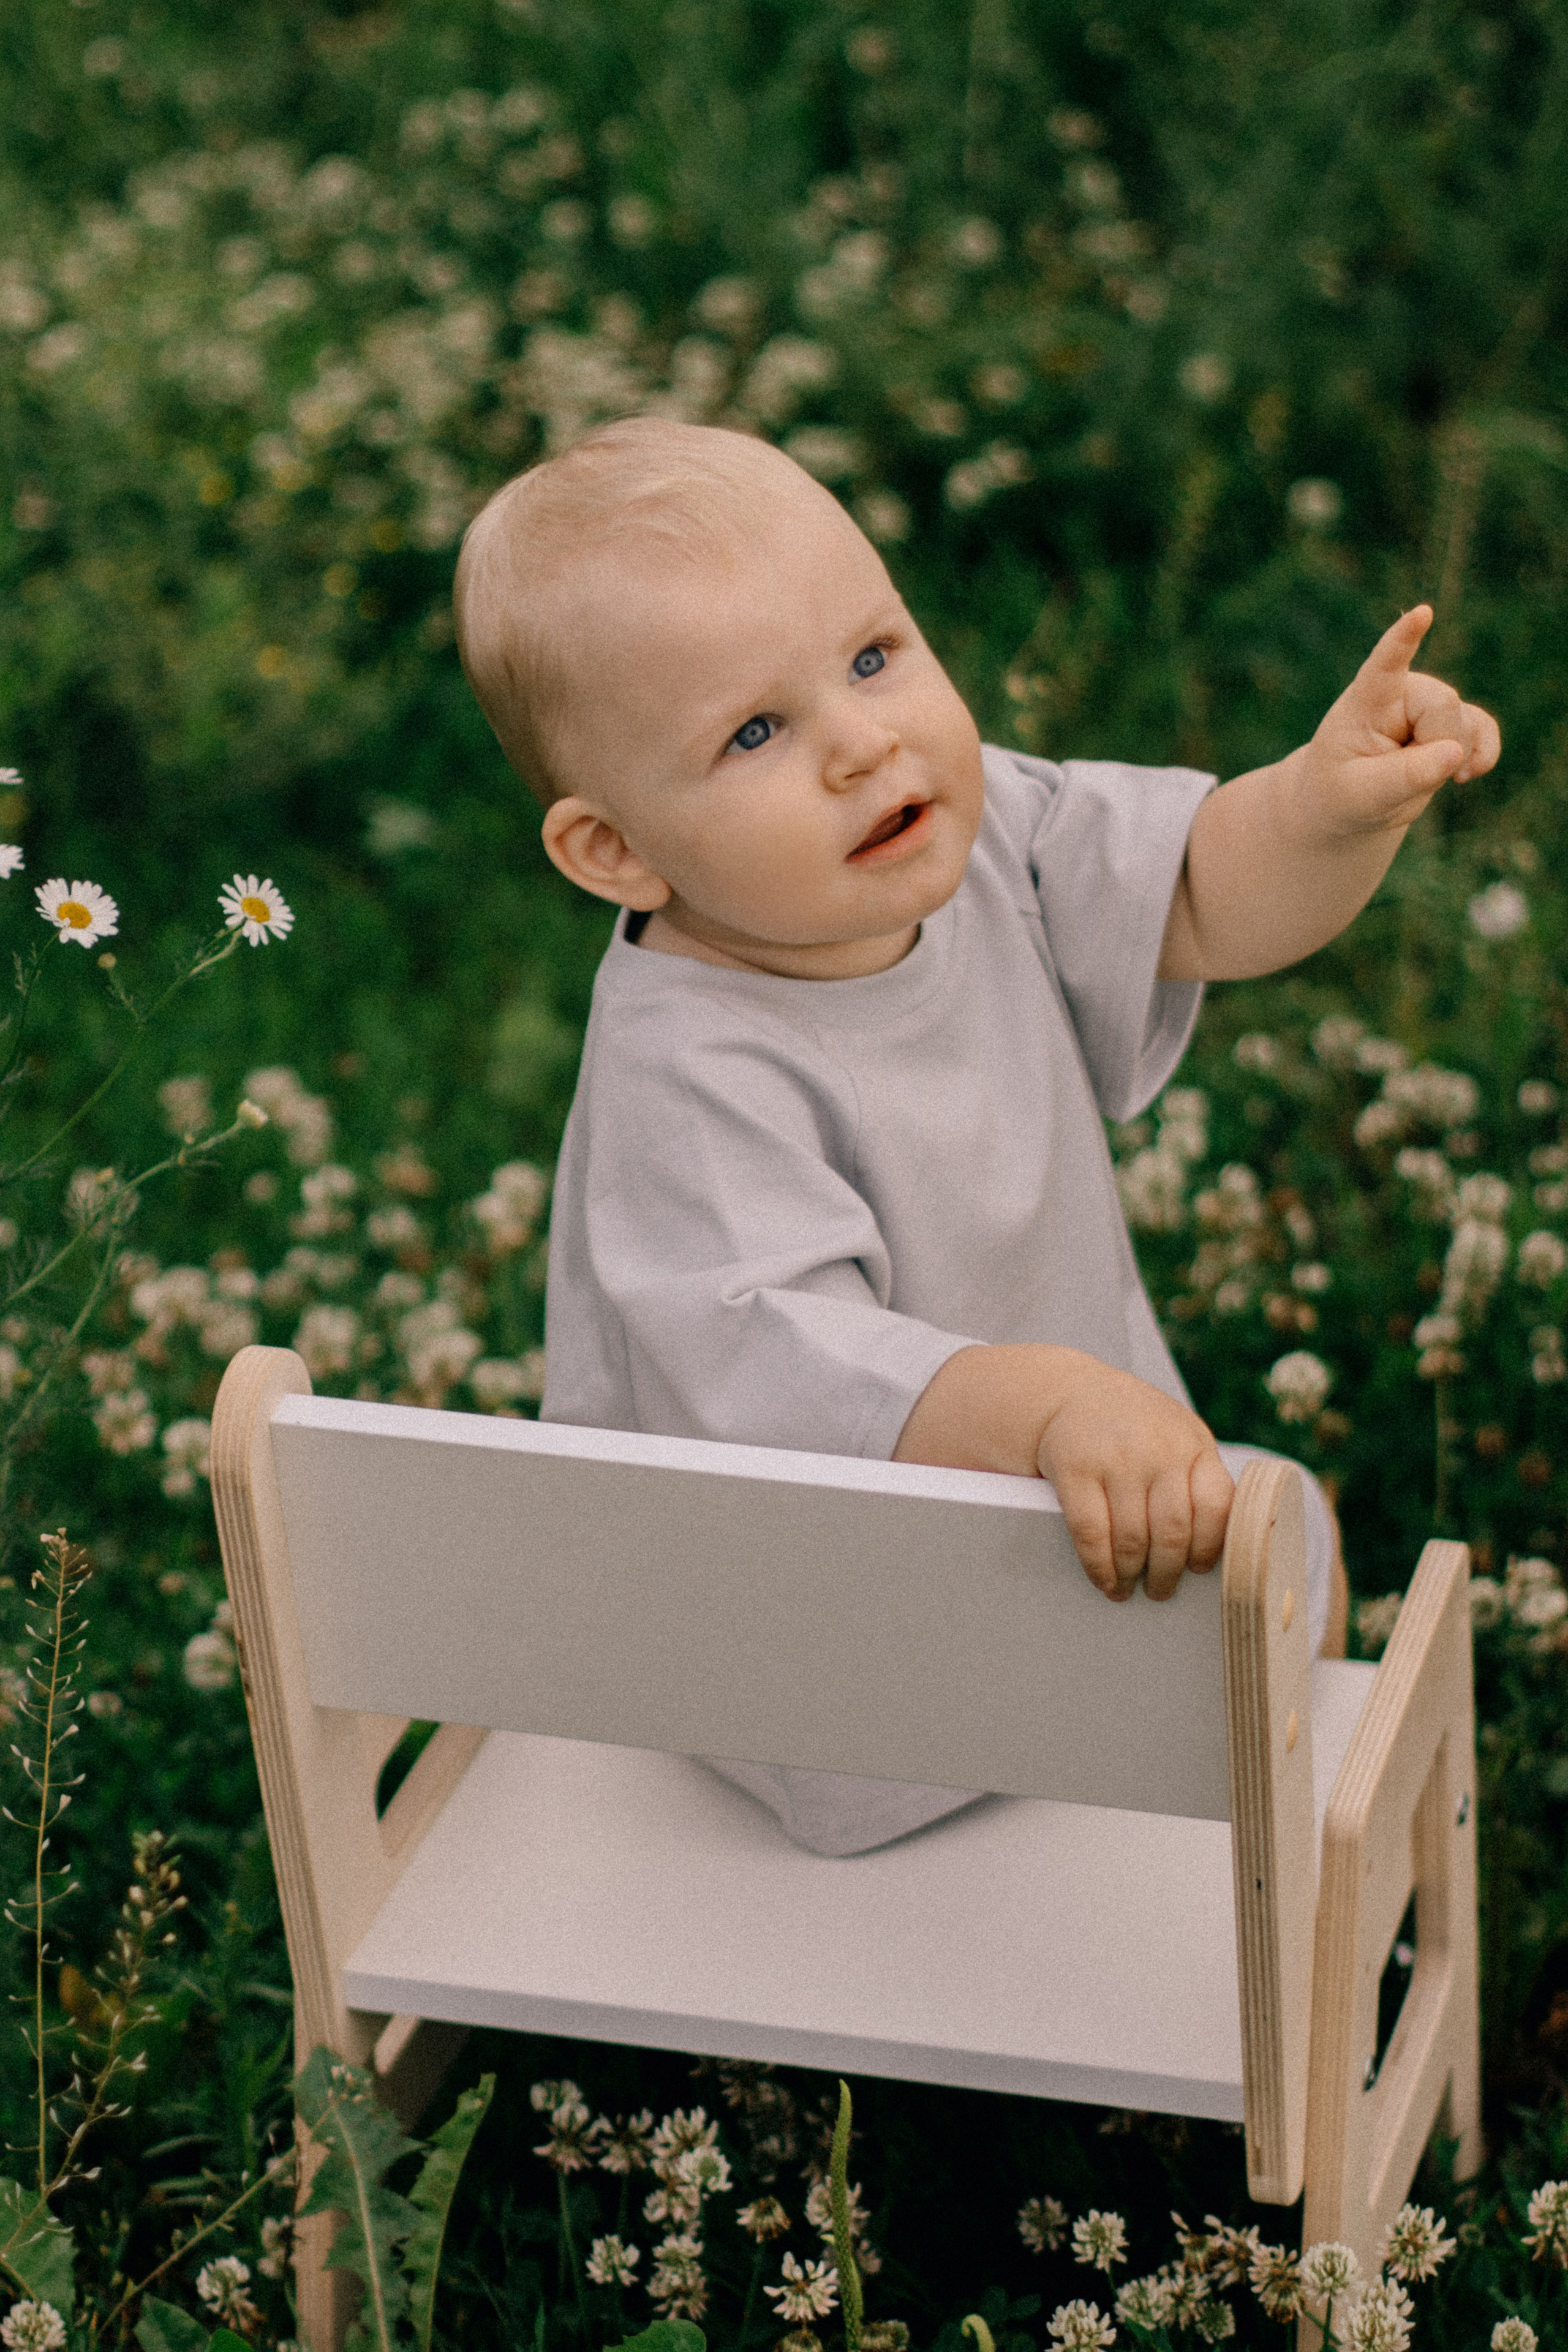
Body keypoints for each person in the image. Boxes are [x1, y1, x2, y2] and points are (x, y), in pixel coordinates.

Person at [453, 417, 1501, 1856]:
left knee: (1252, 1541)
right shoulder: (691, 1073)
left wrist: (1325, 807)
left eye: (873, 656)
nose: (861, 743)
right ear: (614, 851)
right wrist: (1050, 1406)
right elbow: (787, 1381)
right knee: (1274, 1549)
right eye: (755, 732)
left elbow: (1198, 893)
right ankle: (1145, 1782)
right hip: (828, 1656)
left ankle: (1138, 1718)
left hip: (1061, 1498)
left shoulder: (977, 832)